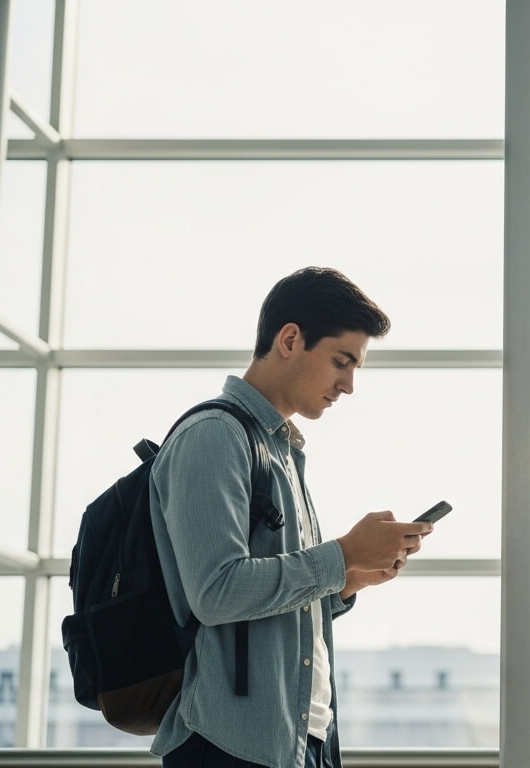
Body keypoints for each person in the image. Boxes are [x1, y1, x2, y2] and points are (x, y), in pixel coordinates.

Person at [148, 267, 432, 768]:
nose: (347, 385)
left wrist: (349, 580)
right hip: (229, 745)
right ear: (290, 339)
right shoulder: (215, 437)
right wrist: (340, 555)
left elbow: (274, 606)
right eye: (341, 362)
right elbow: (217, 592)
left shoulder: (279, 452)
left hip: (298, 740)